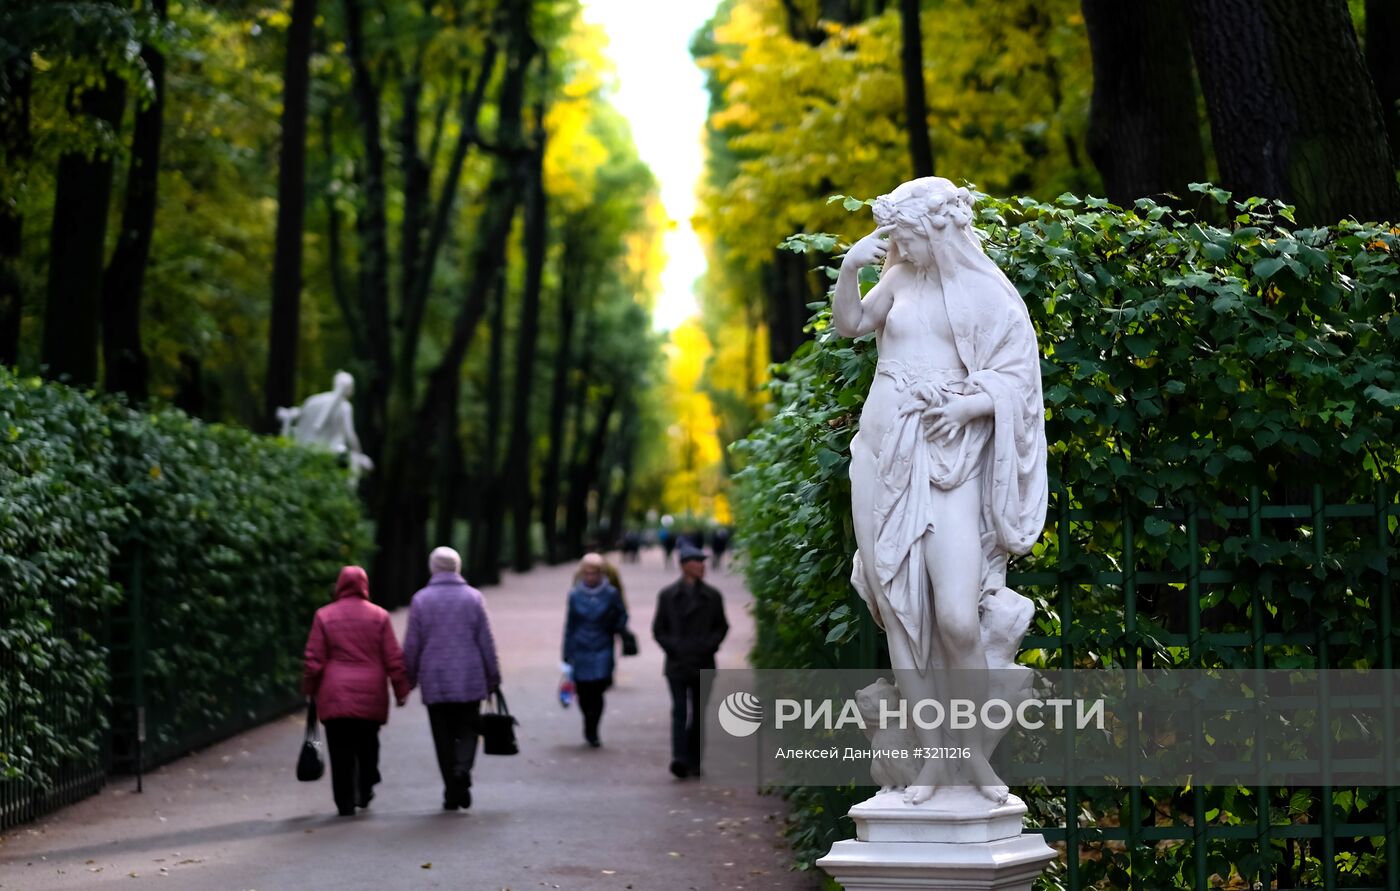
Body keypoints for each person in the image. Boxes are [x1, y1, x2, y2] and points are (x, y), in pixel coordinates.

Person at [834, 177, 1047, 805]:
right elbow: (850, 324)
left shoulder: (987, 295)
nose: (895, 243)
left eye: (905, 232)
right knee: (902, 616)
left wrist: (968, 408)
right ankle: (935, 759)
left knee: (956, 616)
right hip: (881, 455)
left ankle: (972, 753)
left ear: (937, 230)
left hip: (949, 460)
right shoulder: (896, 282)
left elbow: (1018, 383)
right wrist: (849, 266)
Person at [302, 566, 410, 817]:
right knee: (368, 744)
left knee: (340, 751)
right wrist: (400, 689)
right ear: (365, 585)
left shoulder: (324, 616)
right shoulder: (379, 616)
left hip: (335, 694)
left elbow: (313, 659)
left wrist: (309, 688)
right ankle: (366, 785)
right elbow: (393, 657)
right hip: (371, 693)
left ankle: (345, 802)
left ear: (339, 585)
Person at [401, 546, 502, 811]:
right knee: (469, 730)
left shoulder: (421, 600)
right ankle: (463, 769)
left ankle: (451, 790)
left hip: (435, 680)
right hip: (470, 678)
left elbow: (412, 645)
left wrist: (407, 679)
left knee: (442, 736)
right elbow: (486, 642)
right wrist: (493, 677)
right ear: (458, 567)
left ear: (432, 568)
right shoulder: (474, 598)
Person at [652, 544, 728, 778]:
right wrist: (674, 647)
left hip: (703, 663)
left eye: (703, 562)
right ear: (685, 565)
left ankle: (695, 760)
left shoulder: (713, 596)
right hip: (676, 664)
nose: (703, 566)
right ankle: (679, 759)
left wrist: (709, 645)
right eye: (697, 562)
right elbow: (658, 629)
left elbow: (722, 627)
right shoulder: (667, 595)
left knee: (699, 713)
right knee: (679, 711)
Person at [562, 553, 628, 747]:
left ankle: (593, 729)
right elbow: (570, 625)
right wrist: (566, 652)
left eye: (594, 573)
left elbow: (622, 615)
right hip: (580, 646)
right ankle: (588, 721)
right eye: (587, 573)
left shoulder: (611, 593)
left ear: (601, 573)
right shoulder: (574, 595)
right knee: (582, 690)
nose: (590, 577)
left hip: (602, 645)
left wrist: (614, 627)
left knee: (598, 689)